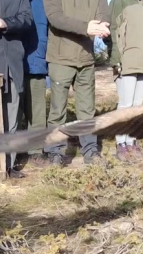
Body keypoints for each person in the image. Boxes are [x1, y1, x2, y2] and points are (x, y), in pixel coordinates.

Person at [43, 0, 111, 167]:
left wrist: (103, 25)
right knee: (58, 110)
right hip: (61, 59)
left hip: (86, 59)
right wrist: (86, 27)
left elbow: (103, 12)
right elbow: (55, 18)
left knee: (87, 111)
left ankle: (90, 152)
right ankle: (55, 153)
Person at [108, 0, 143, 160]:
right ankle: (121, 143)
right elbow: (114, 31)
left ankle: (132, 142)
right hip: (127, 62)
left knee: (138, 106)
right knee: (125, 104)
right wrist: (116, 60)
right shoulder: (120, 3)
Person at [0, 0, 33, 179]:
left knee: (11, 114)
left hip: (11, 63)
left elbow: (28, 19)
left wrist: (5, 22)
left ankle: (8, 165)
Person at [21, 0, 49, 165]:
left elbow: (48, 31)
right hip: (12, 64)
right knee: (13, 111)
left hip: (37, 62)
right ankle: (15, 151)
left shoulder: (41, 3)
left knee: (37, 111)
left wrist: (43, 57)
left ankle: (35, 151)